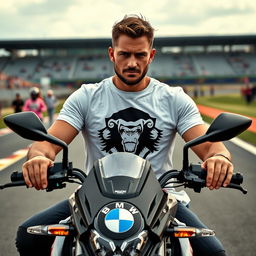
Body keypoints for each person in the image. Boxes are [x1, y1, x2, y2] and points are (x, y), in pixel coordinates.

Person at [17, 15, 233, 256]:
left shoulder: (174, 99)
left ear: (151, 55)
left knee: (213, 252)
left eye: (140, 55)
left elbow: (213, 147)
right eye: (124, 54)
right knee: (28, 236)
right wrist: (38, 158)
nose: (132, 63)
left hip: (161, 200)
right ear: (112, 54)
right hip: (94, 199)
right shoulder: (87, 97)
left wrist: (219, 160)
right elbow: (46, 145)